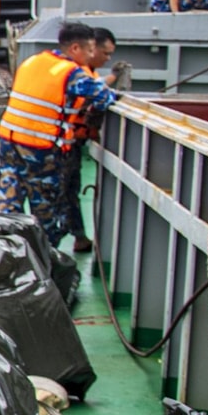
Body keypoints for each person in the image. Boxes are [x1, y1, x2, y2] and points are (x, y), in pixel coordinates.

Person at [0, 20, 119, 249]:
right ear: (75, 49)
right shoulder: (72, 73)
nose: (92, 56)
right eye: (90, 50)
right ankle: (41, 264)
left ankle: (6, 256)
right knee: (47, 217)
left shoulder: (32, 61)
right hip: (40, 153)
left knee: (9, 206)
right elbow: (104, 98)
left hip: (9, 145)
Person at [62, 26, 124, 253]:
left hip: (66, 142)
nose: (107, 58)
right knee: (65, 192)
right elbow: (100, 94)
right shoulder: (75, 72)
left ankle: (78, 237)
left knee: (68, 191)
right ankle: (72, 238)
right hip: (62, 144)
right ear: (90, 48)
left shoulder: (85, 72)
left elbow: (93, 85)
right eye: (105, 53)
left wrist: (112, 77)